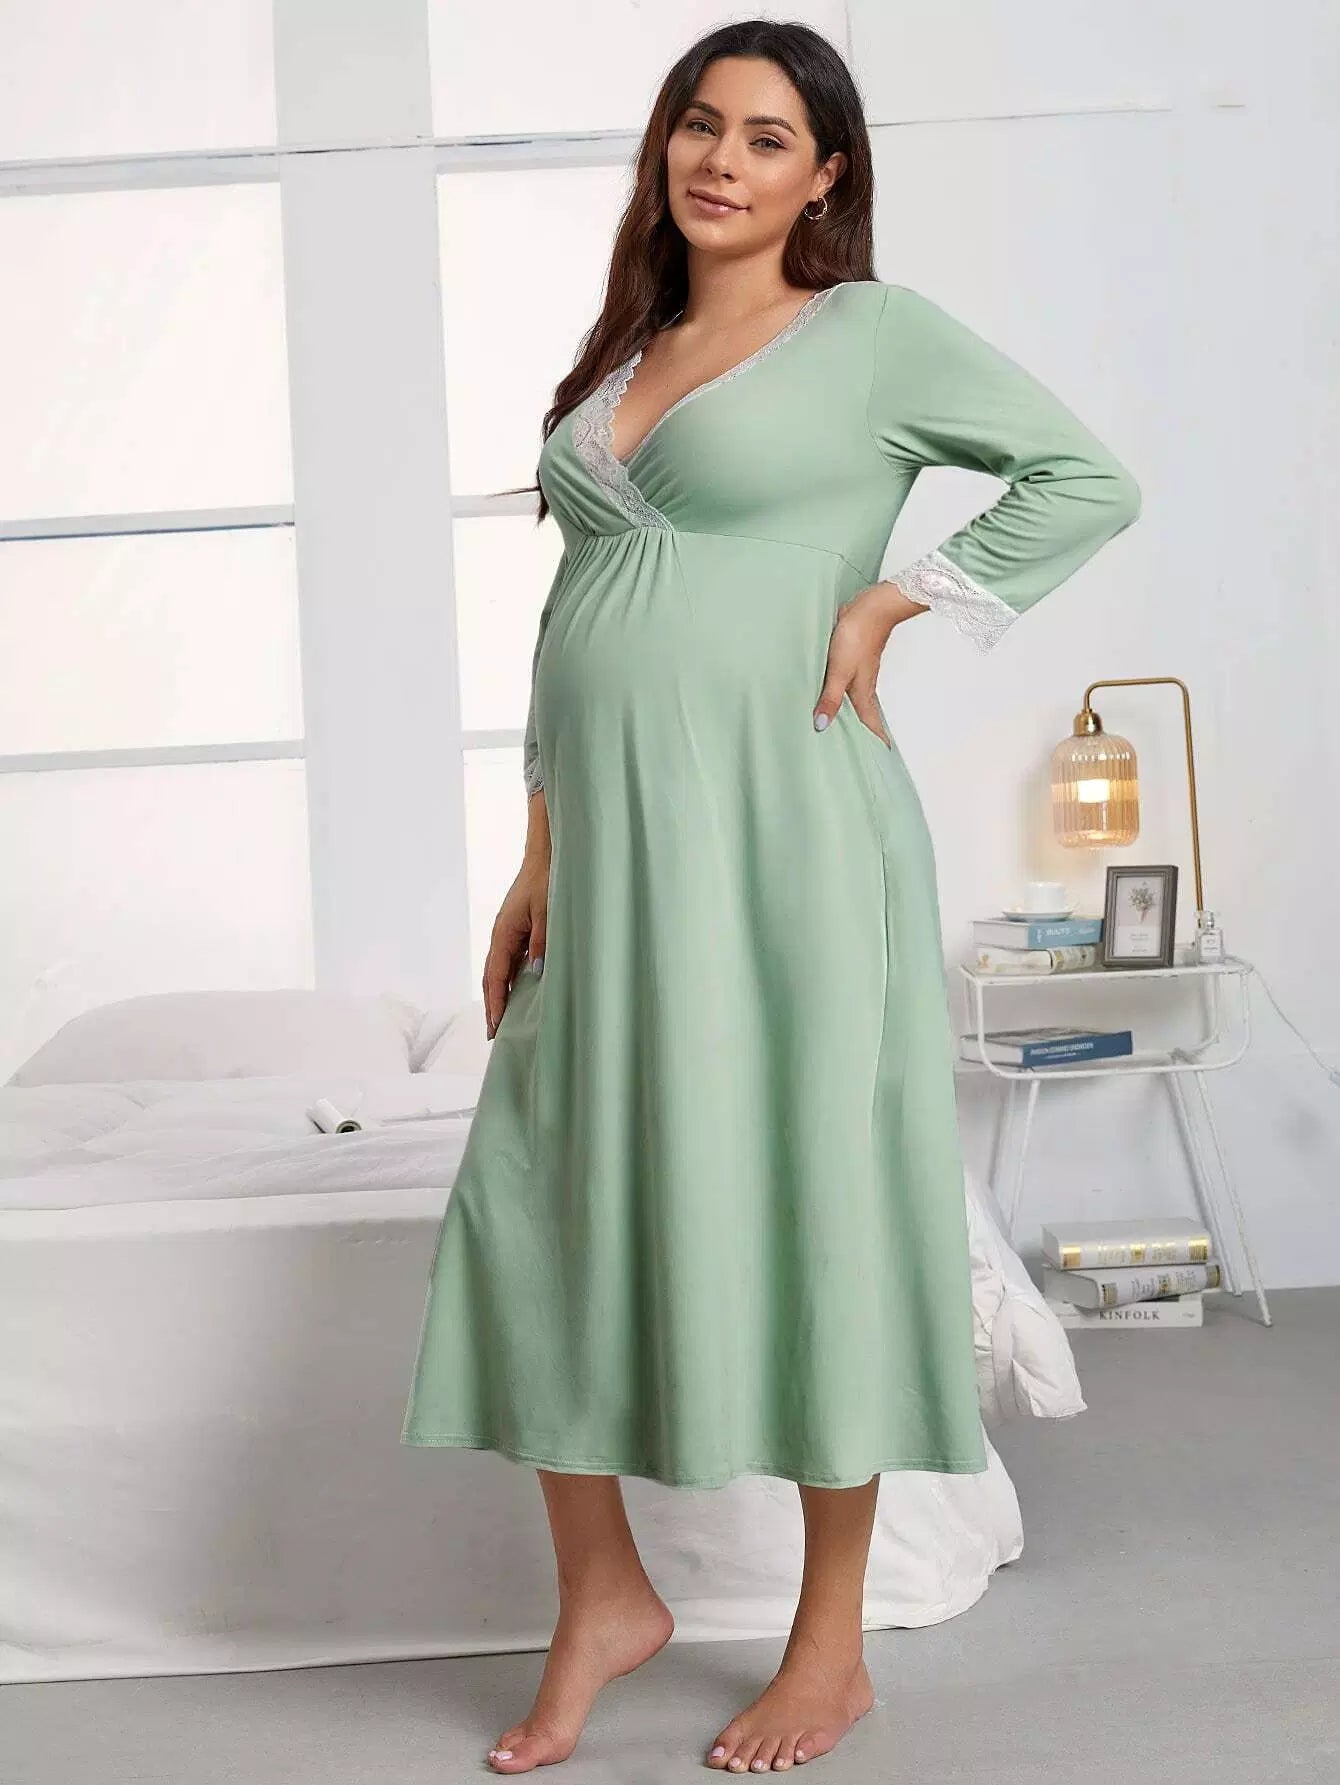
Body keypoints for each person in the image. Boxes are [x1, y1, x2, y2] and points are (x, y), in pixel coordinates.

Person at [401, 18, 1141, 1776]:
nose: (719, 159)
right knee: (538, 1189)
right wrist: (540, 848)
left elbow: (1086, 477)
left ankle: (831, 1644)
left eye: (764, 137)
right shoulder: (632, 348)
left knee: (821, 1191)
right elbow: (577, 619)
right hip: (614, 843)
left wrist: (898, 598)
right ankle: (605, 1592)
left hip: (792, 829)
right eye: (698, 125)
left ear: (826, 177)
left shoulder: (869, 335)